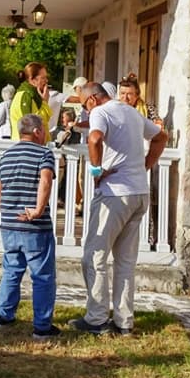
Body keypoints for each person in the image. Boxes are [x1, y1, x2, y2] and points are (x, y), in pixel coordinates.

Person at [73, 82, 168, 337]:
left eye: (84, 105)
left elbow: (94, 138)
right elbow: (161, 137)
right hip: (139, 192)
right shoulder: (131, 111)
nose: (85, 110)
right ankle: (124, 321)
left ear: (92, 99)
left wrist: (95, 170)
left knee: (95, 255)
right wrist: (145, 166)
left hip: (114, 194)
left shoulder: (100, 113)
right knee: (125, 261)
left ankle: (96, 318)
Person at [0, 114, 61, 340]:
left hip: (10, 223)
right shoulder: (44, 154)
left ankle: (3, 315)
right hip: (34, 223)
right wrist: (39, 209)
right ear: (37, 131)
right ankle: (42, 326)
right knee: (42, 276)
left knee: (12, 270)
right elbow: (46, 180)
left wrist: (7, 213)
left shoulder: (6, 155)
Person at [9, 63, 51, 143]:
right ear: (32, 80)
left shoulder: (32, 96)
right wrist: (45, 102)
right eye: (43, 78)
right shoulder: (25, 96)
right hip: (25, 147)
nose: (46, 81)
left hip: (32, 146)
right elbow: (31, 124)